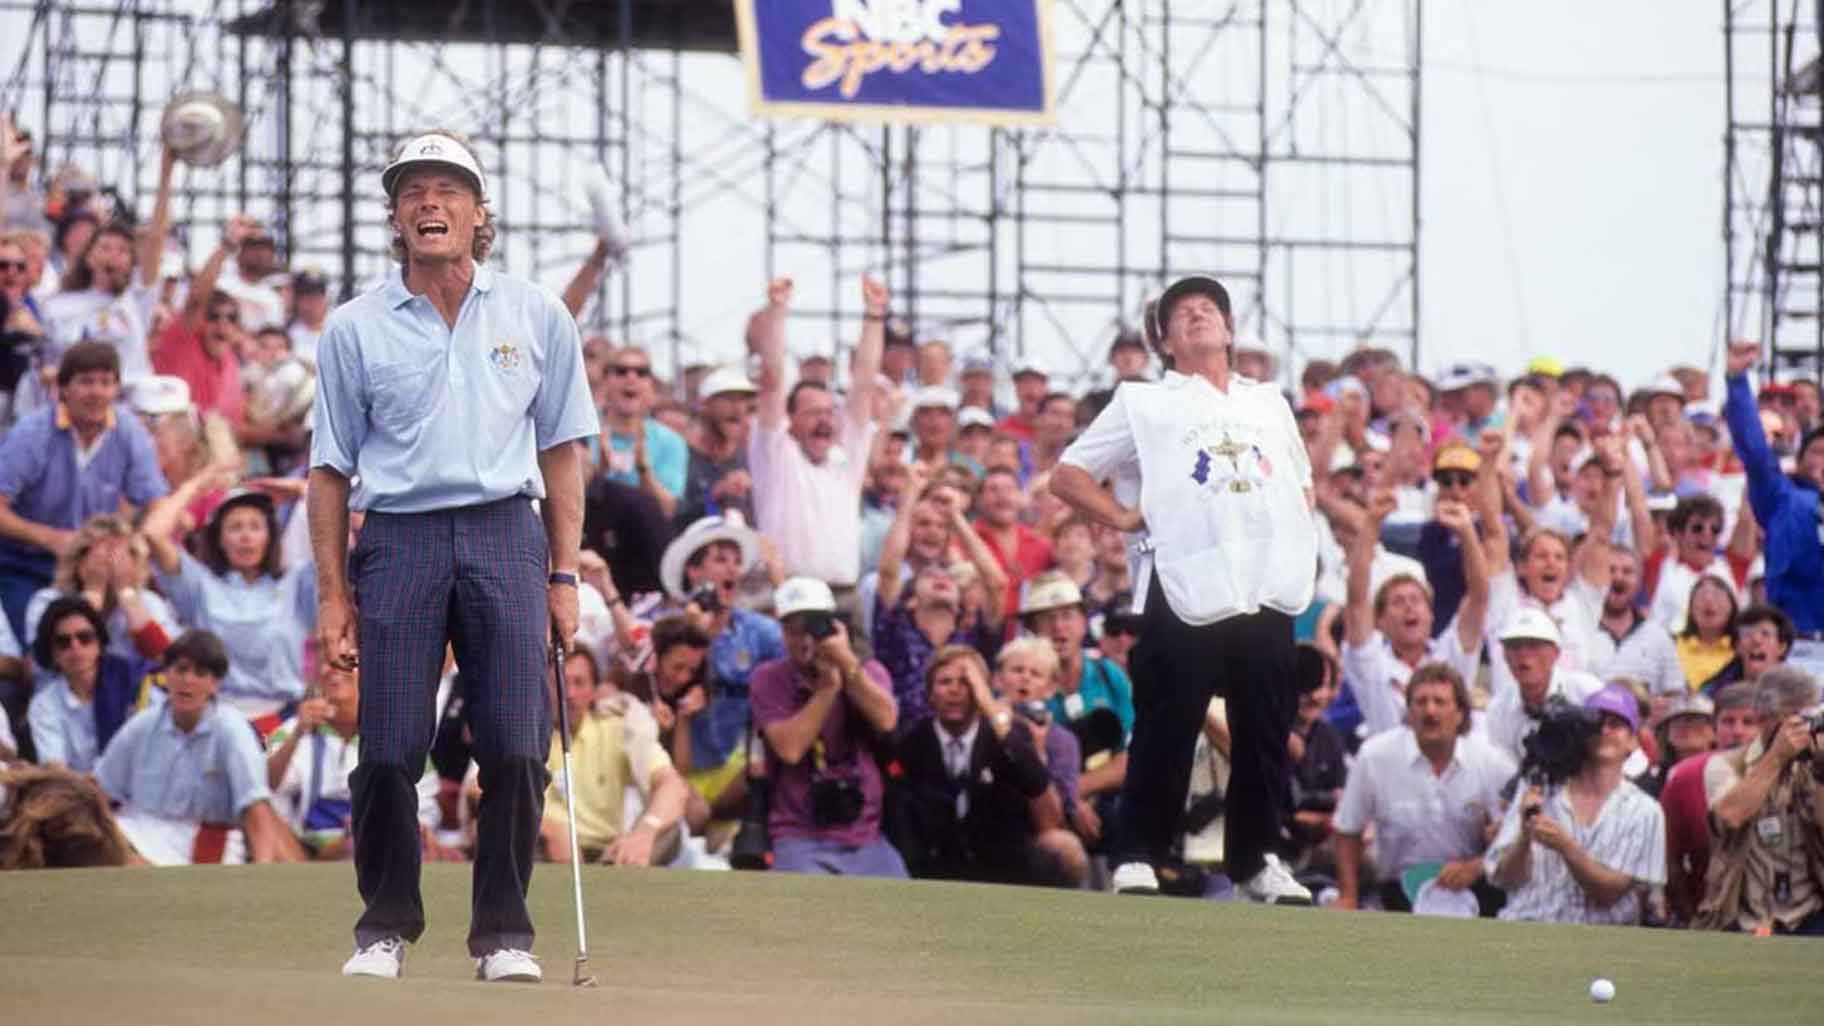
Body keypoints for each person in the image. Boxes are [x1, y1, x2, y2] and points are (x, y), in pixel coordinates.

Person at [308, 129, 597, 982]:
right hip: (399, 539)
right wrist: (331, 596)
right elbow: (329, 473)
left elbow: (562, 453)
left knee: (516, 745)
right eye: (412, 191)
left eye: (448, 190)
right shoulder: (353, 327)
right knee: (389, 749)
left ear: (478, 213)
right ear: (396, 217)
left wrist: (566, 575)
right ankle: (384, 927)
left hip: (508, 534)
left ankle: (504, 934)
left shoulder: (537, 313)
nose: (429, 202)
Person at [1051, 273, 1318, 903]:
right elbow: (1069, 475)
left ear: (1229, 330)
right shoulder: (1144, 403)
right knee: (1168, 724)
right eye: (1181, 313)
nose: (1197, 315)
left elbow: (1301, 486)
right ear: (1165, 342)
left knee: (1264, 727)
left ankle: (1256, 859)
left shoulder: (1268, 403)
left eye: (1208, 308)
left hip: (1263, 586)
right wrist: (1122, 518)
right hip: (1181, 582)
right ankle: (1137, 854)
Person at [0, 342, 168, 645]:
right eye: (86, 382)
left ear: (117, 389)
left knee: (134, 642)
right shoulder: (32, 433)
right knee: (39, 649)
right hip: (28, 563)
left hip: (96, 563)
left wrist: (134, 545)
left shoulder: (128, 431)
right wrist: (49, 538)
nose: (97, 392)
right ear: (63, 389)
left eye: (106, 382)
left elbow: (158, 503)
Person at [93, 629, 302, 866]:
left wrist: (262, 870)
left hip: (206, 840)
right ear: (166, 674)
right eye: (181, 670)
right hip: (138, 829)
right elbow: (102, 791)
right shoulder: (141, 726)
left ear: (215, 684)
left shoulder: (232, 729)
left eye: (200, 673)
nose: (188, 680)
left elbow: (256, 806)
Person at [891, 645, 1086, 887]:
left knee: (1065, 849)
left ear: (981, 691)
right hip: (933, 859)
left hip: (1000, 857)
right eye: (945, 682)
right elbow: (899, 814)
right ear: (930, 694)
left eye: (966, 683)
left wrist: (992, 710)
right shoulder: (911, 743)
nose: (954, 690)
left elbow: (1038, 789)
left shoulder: (1008, 737)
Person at [747, 276, 884, 617]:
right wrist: (777, 311)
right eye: (812, 413)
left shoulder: (845, 460)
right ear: (790, 421)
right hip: (788, 593)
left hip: (843, 598)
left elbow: (864, 384)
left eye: (829, 412)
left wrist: (874, 315)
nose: (824, 420)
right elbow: (772, 381)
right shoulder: (776, 455)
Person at [749, 577, 904, 877]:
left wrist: (846, 664)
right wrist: (826, 691)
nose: (805, 640)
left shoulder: (867, 671)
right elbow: (790, 750)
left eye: (813, 627)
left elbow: (887, 720)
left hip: (866, 835)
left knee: (902, 899)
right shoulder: (769, 678)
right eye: (794, 630)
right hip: (799, 833)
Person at [1332, 663, 1515, 914]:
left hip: (1474, 887)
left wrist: (1478, 865)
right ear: (1408, 711)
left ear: (1460, 713)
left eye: (1440, 702)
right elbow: (1346, 829)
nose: (1430, 711)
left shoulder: (1492, 762)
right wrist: (1348, 896)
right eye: (1420, 702)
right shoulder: (1375, 756)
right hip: (1398, 891)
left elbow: (1514, 834)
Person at [142, 480, 317, 735]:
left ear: (270, 536)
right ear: (220, 539)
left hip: (286, 723)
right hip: (216, 722)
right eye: (235, 527)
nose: (246, 537)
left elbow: (342, 539)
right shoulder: (200, 587)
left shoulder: (296, 584)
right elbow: (153, 533)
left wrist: (305, 491)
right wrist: (201, 481)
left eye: (255, 527)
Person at [1485, 683, 1666, 925]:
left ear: (1633, 741)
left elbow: (1610, 893)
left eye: (1616, 724)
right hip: (1527, 927)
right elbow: (1504, 879)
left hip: (1600, 938)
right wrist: (1524, 838)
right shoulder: (1537, 789)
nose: (1604, 730)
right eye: (1596, 723)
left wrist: (1567, 847)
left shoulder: (1645, 811)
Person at [1340, 490, 1489, 740]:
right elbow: (1356, 602)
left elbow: (1479, 597)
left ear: (1431, 615)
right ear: (1380, 622)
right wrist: (1371, 524)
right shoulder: (1371, 664)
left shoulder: (1450, 654)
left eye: (1416, 600)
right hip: (1389, 762)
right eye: (1397, 602)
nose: (1409, 607)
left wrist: (1466, 533)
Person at [266, 662, 446, 861]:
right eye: (327, 661)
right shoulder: (293, 730)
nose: (332, 670)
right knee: (260, 808)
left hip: (378, 849)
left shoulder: (400, 736)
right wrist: (297, 734)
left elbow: (423, 813)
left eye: (348, 660)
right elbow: (268, 786)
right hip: (301, 854)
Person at [1694, 666, 1824, 933]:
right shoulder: (1727, 764)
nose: (1805, 728)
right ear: (1765, 718)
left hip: (1810, 915)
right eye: (1798, 719)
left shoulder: (1813, 764)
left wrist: (1822, 772)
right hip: (1744, 917)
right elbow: (1730, 816)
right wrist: (1777, 756)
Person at [538, 648, 691, 867]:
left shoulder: (619, 729)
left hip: (609, 854)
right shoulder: (525, 734)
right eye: (559, 683)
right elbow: (488, 794)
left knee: (668, 829)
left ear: (594, 690)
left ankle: (621, 869)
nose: (569, 693)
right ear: (543, 688)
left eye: (579, 683)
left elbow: (673, 786)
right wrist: (549, 829)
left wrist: (646, 831)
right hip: (543, 851)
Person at [1721, 341, 1823, 653]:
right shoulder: (1782, 499)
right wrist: (1737, 381)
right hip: (1791, 646)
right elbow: (1753, 449)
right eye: (1817, 452)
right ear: (1800, 460)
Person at [1661, 682, 1762, 923]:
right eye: (1728, 722)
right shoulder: (1684, 777)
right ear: (1714, 728)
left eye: (1748, 722)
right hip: (1709, 913)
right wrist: (1690, 915)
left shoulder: (1789, 773)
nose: (1737, 732)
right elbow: (1670, 858)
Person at [26, 596, 164, 772]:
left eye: (85, 638)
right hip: (76, 788)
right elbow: (56, 770)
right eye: (63, 642)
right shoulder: (44, 705)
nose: (75, 647)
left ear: (99, 642)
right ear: (52, 653)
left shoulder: (133, 681)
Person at [1482, 609, 1606, 764]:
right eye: (1514, 646)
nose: (1523, 654)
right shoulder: (1499, 709)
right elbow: (1502, 769)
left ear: (1556, 653)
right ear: (1504, 655)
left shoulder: (1587, 691)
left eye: (1534, 645)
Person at [595, 345, 687, 521]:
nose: (631, 378)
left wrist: (644, 470)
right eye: (621, 371)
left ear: (650, 384)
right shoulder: (584, 437)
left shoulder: (671, 442)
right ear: (605, 381)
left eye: (641, 372)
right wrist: (599, 473)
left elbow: (668, 511)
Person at [1588, 545, 1685, 699]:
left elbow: (1675, 691)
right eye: (1610, 570)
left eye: (1627, 571)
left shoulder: (1658, 636)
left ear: (1639, 582)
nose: (1618, 577)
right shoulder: (1580, 630)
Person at [677, 366, 757, 527]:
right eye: (728, 399)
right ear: (704, 405)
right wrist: (715, 494)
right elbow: (673, 518)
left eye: (743, 400)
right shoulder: (682, 455)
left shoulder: (750, 458)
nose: (737, 408)